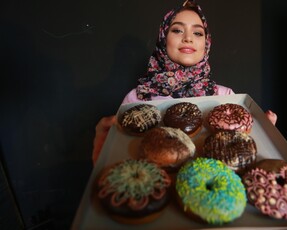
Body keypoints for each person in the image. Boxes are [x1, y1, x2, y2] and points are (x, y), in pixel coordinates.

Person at [92, 0, 277, 165]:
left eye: (198, 32)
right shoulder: (137, 98)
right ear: (163, 38)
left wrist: (262, 136)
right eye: (177, 30)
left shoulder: (226, 97)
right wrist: (101, 157)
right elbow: (123, 157)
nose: (188, 38)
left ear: (207, 43)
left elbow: (242, 158)